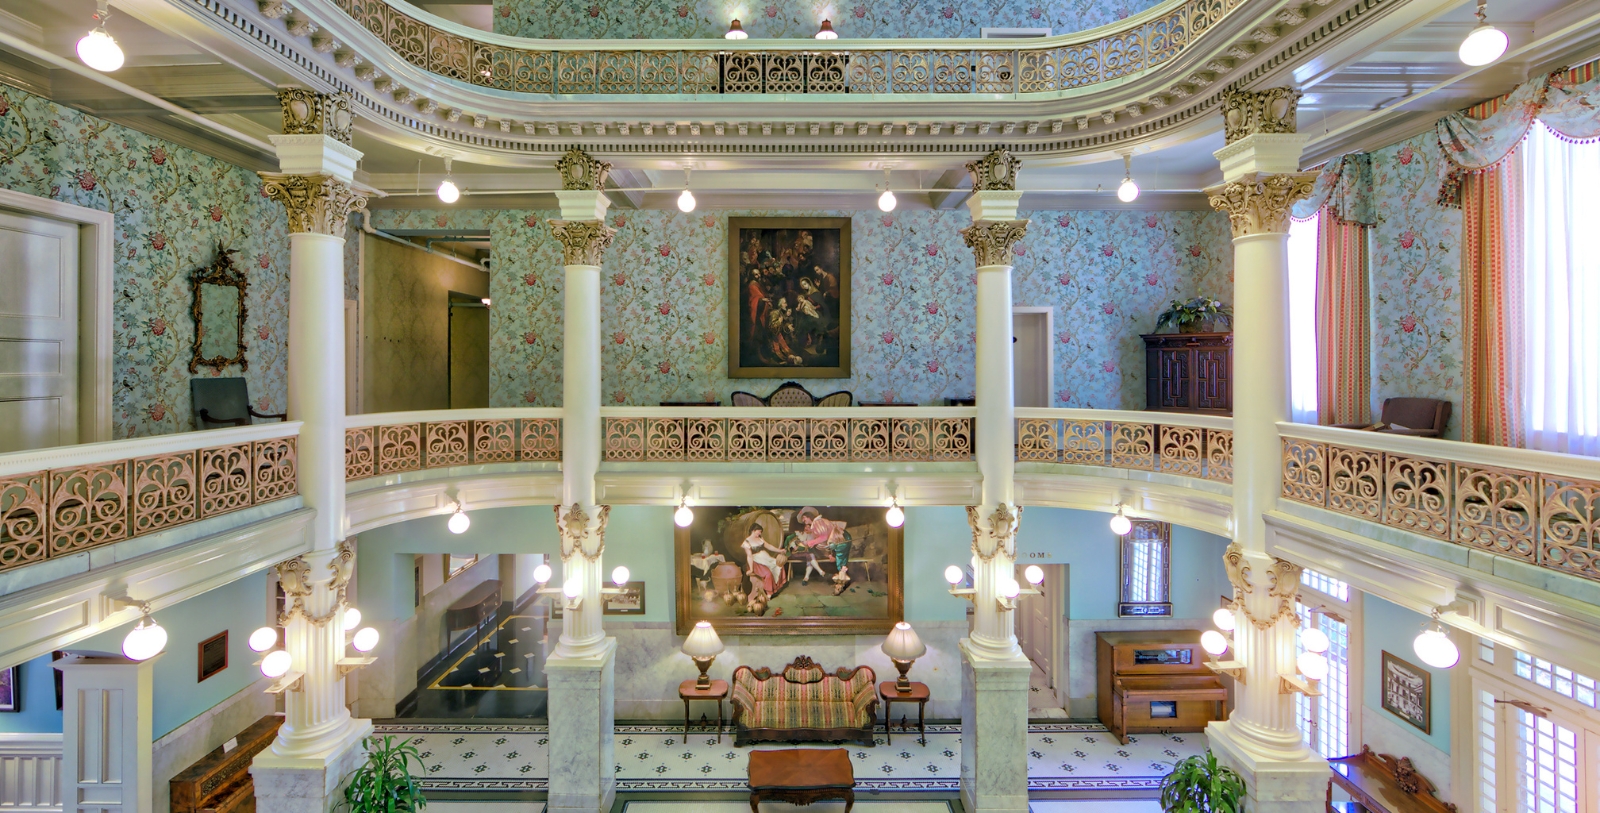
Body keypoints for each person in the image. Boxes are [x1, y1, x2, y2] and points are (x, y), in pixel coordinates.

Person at [740, 525, 787, 596]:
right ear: (753, 530)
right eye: (759, 531)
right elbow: (749, 556)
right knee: (768, 573)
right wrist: (751, 569)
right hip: (755, 561)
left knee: (779, 565)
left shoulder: (760, 539)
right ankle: (769, 592)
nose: (760, 533)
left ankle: (776, 588)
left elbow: (769, 546)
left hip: (766, 558)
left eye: (761, 532)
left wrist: (779, 550)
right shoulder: (747, 542)